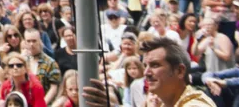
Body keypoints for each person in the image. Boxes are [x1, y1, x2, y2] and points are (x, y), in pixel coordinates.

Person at [83, 38, 213, 107]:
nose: (146, 72)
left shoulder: (196, 104)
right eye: (145, 66)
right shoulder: (163, 103)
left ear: (179, 71)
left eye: (155, 65)